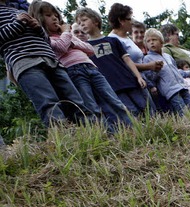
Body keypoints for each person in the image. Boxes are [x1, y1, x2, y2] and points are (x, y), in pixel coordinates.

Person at [33, 1, 131, 131]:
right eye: (49, 15)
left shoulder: (67, 36)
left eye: (56, 15)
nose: (55, 18)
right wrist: (67, 34)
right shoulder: (47, 38)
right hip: (74, 71)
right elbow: (61, 47)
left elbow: (90, 48)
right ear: (40, 18)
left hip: (91, 67)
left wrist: (71, 42)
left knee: (114, 100)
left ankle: (132, 128)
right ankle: (107, 135)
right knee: (91, 106)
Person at [0, 0, 94, 128]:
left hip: (51, 60)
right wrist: (18, 23)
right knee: (48, 103)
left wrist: (38, 28)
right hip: (24, 61)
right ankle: (64, 139)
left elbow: (46, 39)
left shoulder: (21, 10)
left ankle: (91, 134)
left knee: (75, 101)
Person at [75, 7, 153, 117]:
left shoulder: (113, 40)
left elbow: (127, 60)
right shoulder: (85, 48)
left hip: (129, 81)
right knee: (131, 112)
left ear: (96, 21)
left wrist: (138, 76)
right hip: (112, 88)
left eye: (84, 20)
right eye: (78, 23)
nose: (81, 24)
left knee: (146, 108)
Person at [142, 28, 190, 116]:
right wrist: (156, 71)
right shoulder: (147, 58)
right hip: (170, 90)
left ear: (161, 42)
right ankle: (187, 126)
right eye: (148, 41)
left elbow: (176, 71)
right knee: (182, 111)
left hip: (182, 86)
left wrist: (188, 73)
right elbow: (149, 77)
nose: (151, 42)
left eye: (154, 40)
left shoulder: (167, 56)